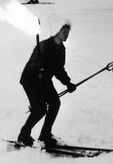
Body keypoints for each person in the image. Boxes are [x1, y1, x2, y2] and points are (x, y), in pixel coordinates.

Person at [17, 15, 77, 147]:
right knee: (40, 109)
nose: (66, 35)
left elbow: (59, 69)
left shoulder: (61, 49)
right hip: (31, 79)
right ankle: (24, 134)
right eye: (64, 32)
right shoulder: (43, 46)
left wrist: (68, 83)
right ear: (56, 31)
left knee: (55, 103)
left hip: (44, 80)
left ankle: (45, 134)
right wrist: (40, 67)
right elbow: (35, 65)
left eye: (67, 33)